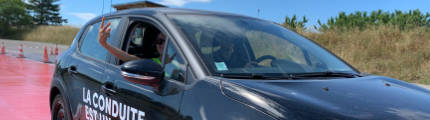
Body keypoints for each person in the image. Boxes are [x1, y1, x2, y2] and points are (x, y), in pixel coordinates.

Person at [98, 17, 165, 64]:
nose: (163, 44)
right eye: (159, 41)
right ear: (154, 44)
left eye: (166, 40)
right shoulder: (152, 63)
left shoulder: (174, 59)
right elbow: (127, 57)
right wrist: (104, 44)